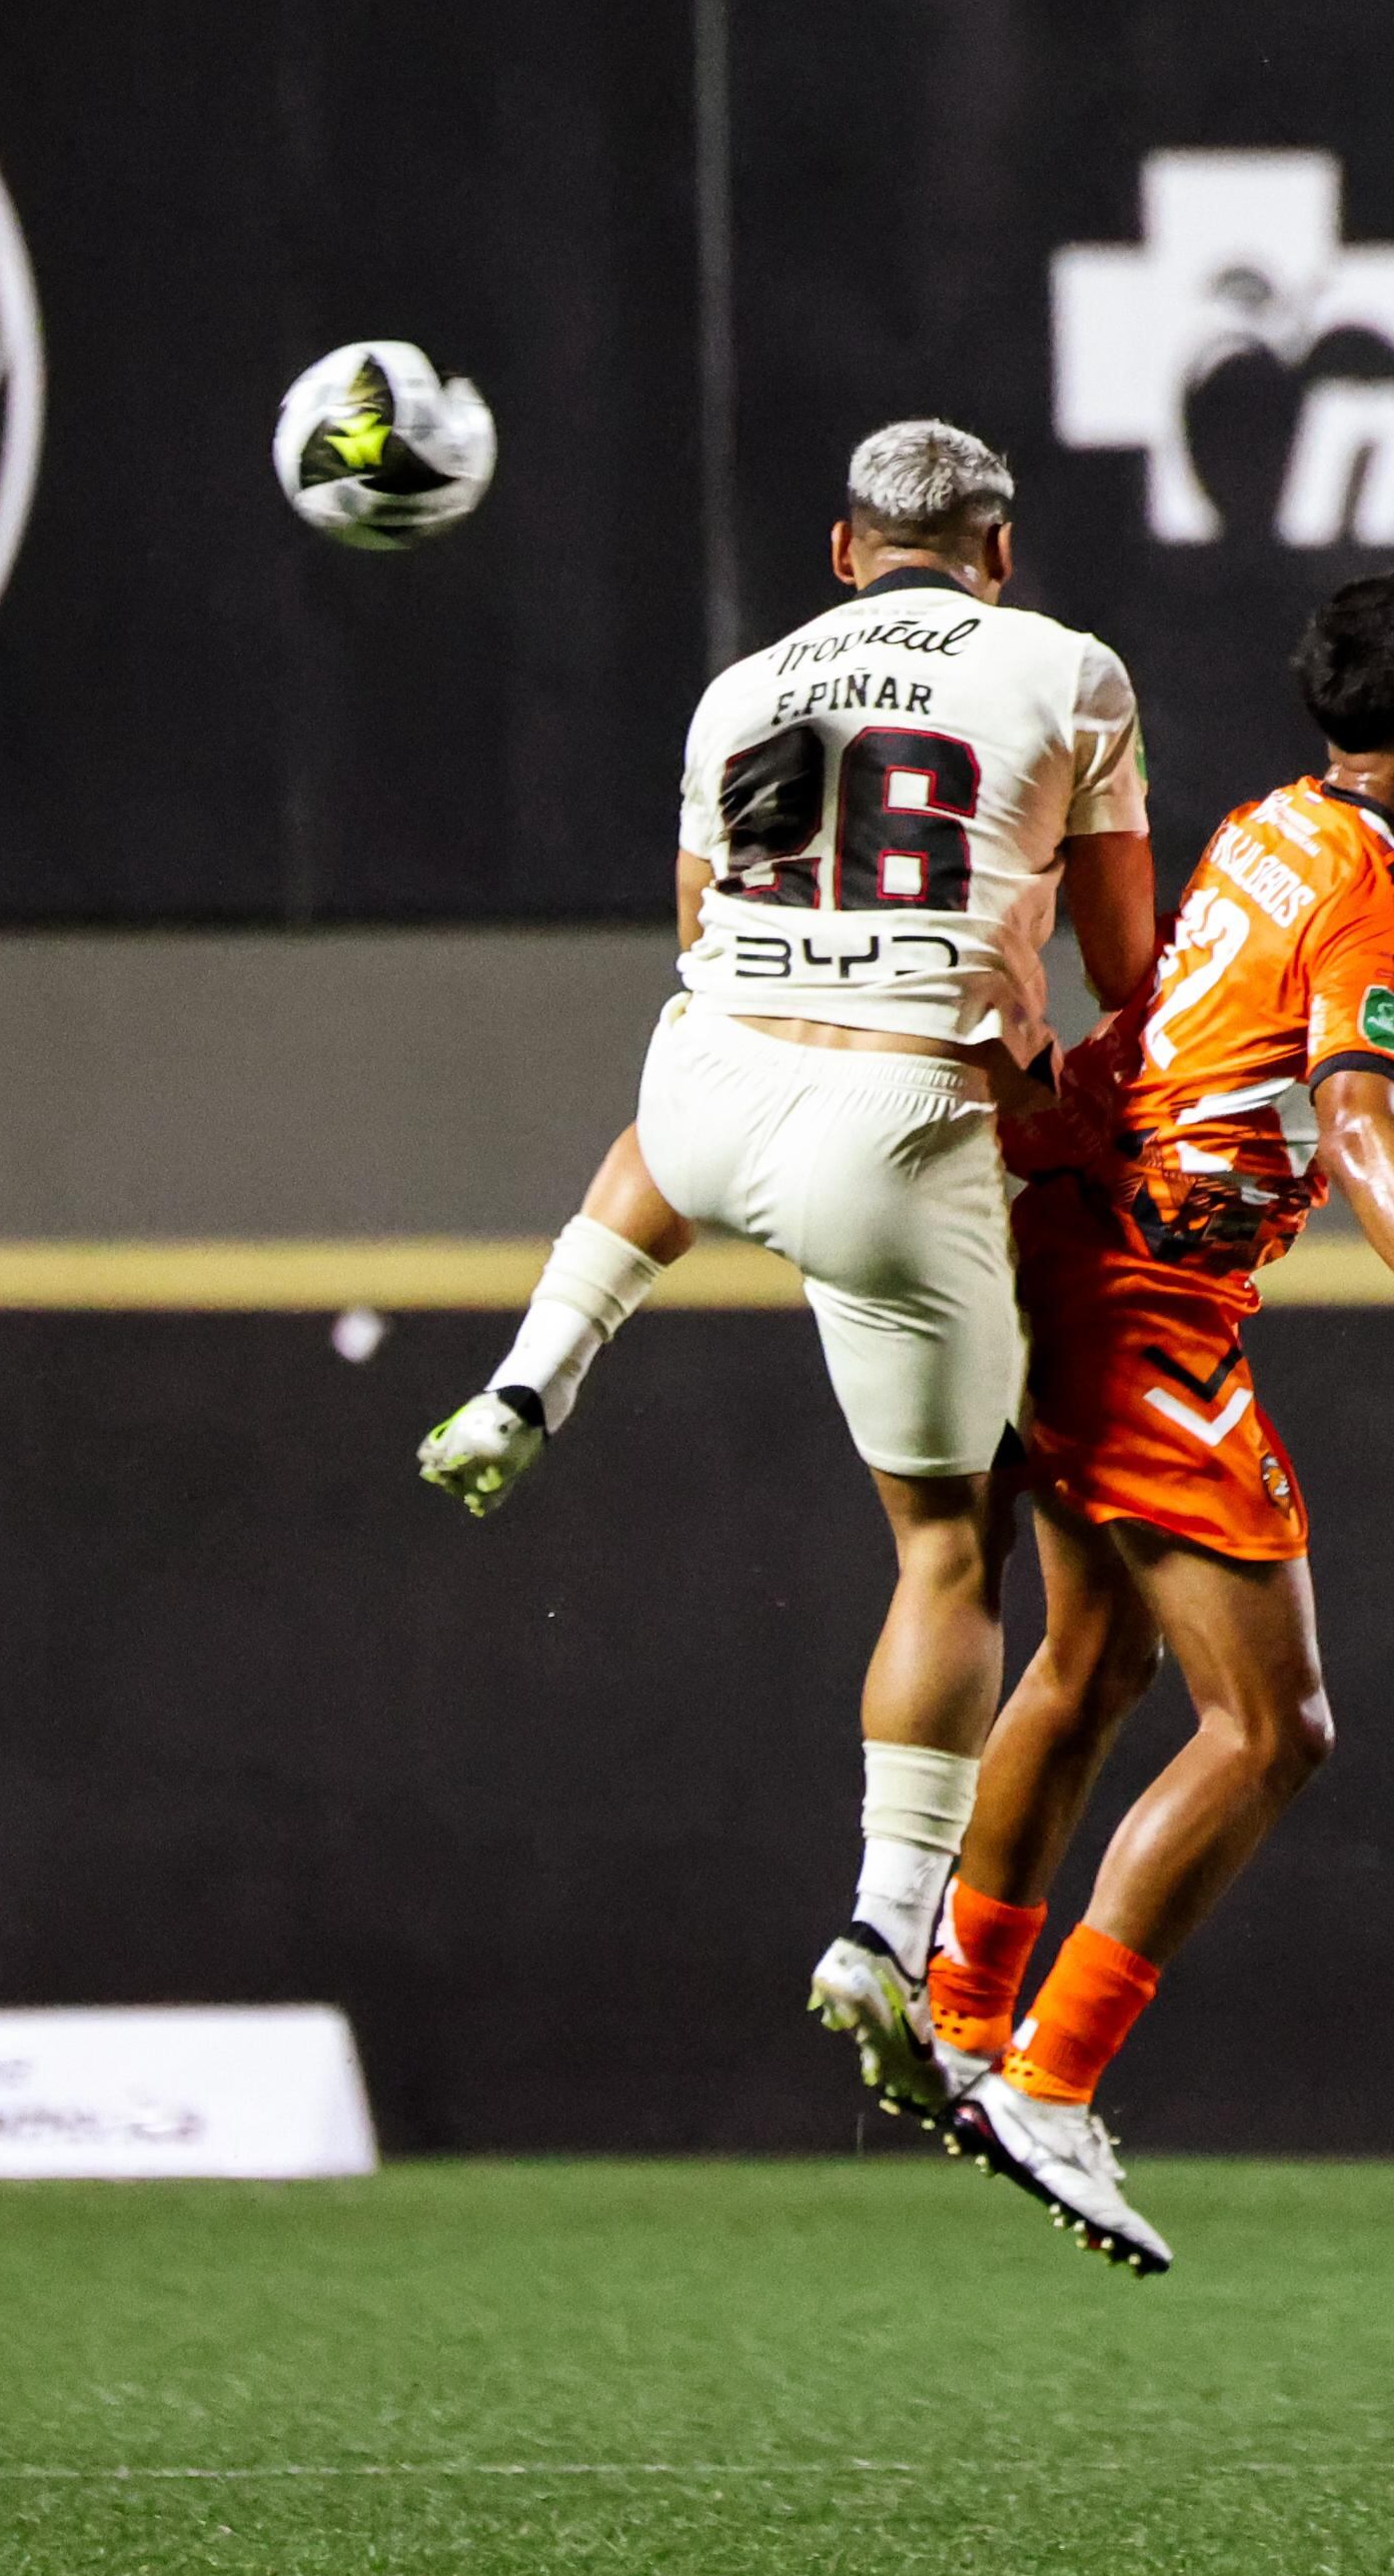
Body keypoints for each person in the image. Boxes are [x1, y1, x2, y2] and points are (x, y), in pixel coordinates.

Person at [416, 419, 1155, 2106]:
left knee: (682, 1079)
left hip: (710, 1083)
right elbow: (1126, 968)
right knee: (949, 1556)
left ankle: (531, 1375)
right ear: (1000, 549)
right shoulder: (1068, 668)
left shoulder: (740, 686)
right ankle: (884, 1926)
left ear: (843, 552)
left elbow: (701, 927)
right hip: (898, 1122)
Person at [921, 566, 1394, 2275]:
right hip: (1143, 1304)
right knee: (1273, 1727)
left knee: (1090, 1664)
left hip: (1059, 1230)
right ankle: (1044, 2078)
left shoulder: (1266, 822)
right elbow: (1354, 1119)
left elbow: (1196, 1039)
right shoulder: (1378, 896)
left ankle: (953, 2011)